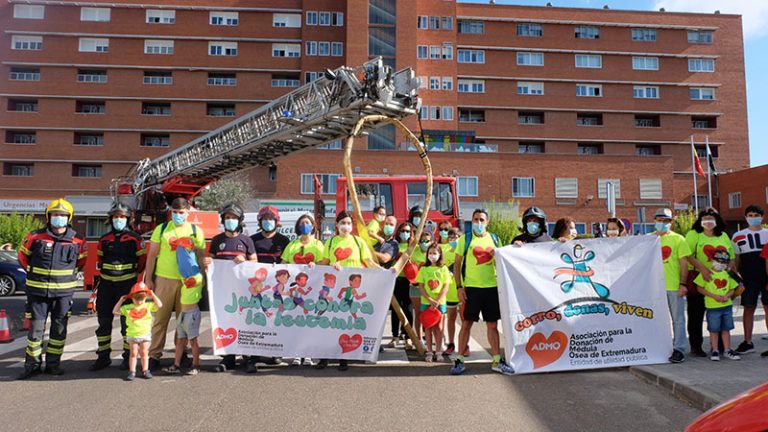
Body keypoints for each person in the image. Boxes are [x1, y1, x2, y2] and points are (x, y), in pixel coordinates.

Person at [17, 199, 88, 379]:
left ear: (69, 218)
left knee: (59, 330)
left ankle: (53, 365)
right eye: (55, 215)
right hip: (37, 292)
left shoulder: (77, 241)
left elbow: (81, 262)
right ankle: (32, 365)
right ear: (48, 217)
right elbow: (23, 258)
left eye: (63, 215)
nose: (59, 218)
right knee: (35, 331)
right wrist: (35, 275)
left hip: (63, 294)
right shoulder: (34, 237)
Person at [144, 197, 206, 371]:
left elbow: (201, 256)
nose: (178, 215)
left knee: (184, 321)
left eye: (181, 212)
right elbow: (152, 255)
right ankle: (154, 355)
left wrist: (203, 279)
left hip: (188, 282)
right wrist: (149, 279)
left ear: (188, 212)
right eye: (175, 212)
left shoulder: (195, 231)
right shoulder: (162, 229)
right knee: (160, 320)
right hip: (164, 279)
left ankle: (181, 355)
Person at [451, 208, 514, 375]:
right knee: (466, 325)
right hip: (471, 289)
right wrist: (459, 287)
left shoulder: (494, 239)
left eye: (481, 220)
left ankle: (496, 361)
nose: (478, 223)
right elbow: (456, 265)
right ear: (471, 221)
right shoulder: (465, 239)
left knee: (492, 325)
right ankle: (459, 360)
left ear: (487, 223)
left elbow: (502, 261)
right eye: (475, 219)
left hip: (492, 288)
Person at [89, 202, 146, 372]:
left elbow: (141, 262)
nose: (118, 220)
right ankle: (103, 357)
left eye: (122, 217)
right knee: (104, 323)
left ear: (128, 219)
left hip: (127, 286)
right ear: (110, 219)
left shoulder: (136, 239)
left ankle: (127, 357)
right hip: (106, 286)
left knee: (127, 324)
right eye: (115, 217)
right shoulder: (104, 239)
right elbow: (100, 260)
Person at [317, 211, 376, 371]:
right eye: (343, 222)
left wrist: (385, 272)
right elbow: (324, 263)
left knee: (345, 324)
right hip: (333, 290)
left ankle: (343, 358)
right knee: (330, 323)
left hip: (350, 292)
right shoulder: (330, 242)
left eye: (349, 223)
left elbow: (368, 262)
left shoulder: (358, 242)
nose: (346, 226)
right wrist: (312, 266)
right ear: (337, 225)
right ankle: (324, 358)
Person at [205, 203, 257, 372]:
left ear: (240, 220)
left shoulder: (247, 240)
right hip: (223, 290)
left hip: (242, 291)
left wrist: (245, 261)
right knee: (225, 321)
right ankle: (228, 357)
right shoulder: (217, 240)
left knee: (245, 322)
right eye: (227, 218)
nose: (230, 221)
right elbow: (210, 261)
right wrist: (207, 262)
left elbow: (255, 263)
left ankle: (248, 358)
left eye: (234, 218)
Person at [653, 208, 703, 364]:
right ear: (654, 221)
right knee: (656, 319)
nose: (662, 223)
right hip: (654, 287)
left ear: (671, 222)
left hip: (674, 286)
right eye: (659, 220)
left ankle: (679, 349)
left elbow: (684, 263)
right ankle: (658, 347)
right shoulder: (648, 239)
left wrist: (683, 283)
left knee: (678, 319)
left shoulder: (678, 239)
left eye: (666, 221)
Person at [280, 213, 325, 367]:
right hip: (294, 292)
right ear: (298, 226)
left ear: (313, 226)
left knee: (309, 322)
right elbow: (283, 263)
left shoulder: (318, 245)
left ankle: (309, 354)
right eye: (302, 223)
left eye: (307, 222)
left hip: (311, 290)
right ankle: (296, 354)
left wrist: (316, 266)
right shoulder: (291, 245)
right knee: (295, 323)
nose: (304, 225)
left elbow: (323, 265)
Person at [686, 208, 731, 357]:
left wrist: (730, 268)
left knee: (718, 313)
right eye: (705, 218)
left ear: (717, 219)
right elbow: (688, 255)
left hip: (720, 281)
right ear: (700, 220)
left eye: (711, 218)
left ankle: (718, 346)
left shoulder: (723, 235)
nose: (708, 221)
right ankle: (696, 346)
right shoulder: (694, 234)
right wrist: (703, 269)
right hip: (700, 278)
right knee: (696, 315)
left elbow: (730, 255)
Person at [250, 205, 290, 369]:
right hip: (257, 287)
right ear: (260, 221)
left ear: (276, 221)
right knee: (256, 319)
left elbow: (288, 264)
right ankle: (253, 354)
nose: (268, 222)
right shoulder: (252, 239)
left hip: (276, 289)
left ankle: (275, 353)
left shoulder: (284, 241)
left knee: (275, 319)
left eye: (271, 219)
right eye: (265, 219)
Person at [731, 205, 768, 355]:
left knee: (767, 308)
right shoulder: (738, 235)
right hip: (748, 277)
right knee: (748, 308)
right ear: (746, 217)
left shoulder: (767, 233)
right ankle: (747, 342)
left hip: (766, 276)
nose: (753, 217)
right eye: (750, 215)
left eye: (756, 215)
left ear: (762, 217)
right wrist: (736, 279)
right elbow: (736, 259)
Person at [694, 250, 741, 361]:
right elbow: (699, 288)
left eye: (724, 262)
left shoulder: (728, 274)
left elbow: (733, 288)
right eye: (718, 261)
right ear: (712, 260)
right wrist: (713, 296)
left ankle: (727, 350)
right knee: (714, 329)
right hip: (712, 307)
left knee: (726, 329)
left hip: (726, 306)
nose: (720, 264)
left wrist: (727, 296)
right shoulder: (706, 273)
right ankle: (715, 350)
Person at [114, 282, 163, 381]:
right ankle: (132, 371)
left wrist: (152, 294)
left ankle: (145, 370)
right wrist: (120, 301)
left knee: (144, 353)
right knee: (133, 353)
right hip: (132, 335)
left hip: (145, 334)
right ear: (132, 298)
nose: (140, 302)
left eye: (142, 299)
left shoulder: (148, 305)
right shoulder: (128, 308)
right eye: (137, 299)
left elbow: (160, 305)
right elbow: (115, 311)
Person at [417, 243, 451, 362]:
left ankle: (438, 351)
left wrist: (437, 301)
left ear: (440, 254)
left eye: (435, 253)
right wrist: (430, 299)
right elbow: (421, 286)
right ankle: (429, 351)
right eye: (430, 253)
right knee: (428, 326)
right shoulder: (423, 269)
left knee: (439, 327)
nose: (432, 256)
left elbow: (446, 286)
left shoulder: (444, 269)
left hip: (440, 303)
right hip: (426, 302)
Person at [387, 222, 414, 348]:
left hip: (409, 281)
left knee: (408, 309)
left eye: (408, 231)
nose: (405, 233)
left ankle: (408, 336)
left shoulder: (413, 246)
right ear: (399, 231)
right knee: (395, 309)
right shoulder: (394, 244)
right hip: (396, 280)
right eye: (403, 230)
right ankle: (395, 336)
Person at [409, 231, 431, 348]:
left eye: (427, 241)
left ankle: (430, 338)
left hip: (429, 289)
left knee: (428, 313)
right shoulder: (414, 250)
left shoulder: (433, 253)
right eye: (422, 241)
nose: (424, 243)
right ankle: (419, 338)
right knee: (418, 314)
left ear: (431, 241)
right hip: (415, 287)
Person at [441, 227, 462, 356]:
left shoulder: (463, 252)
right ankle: (451, 343)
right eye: (451, 238)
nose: (453, 240)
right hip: (449, 292)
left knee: (465, 320)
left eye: (456, 237)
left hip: (462, 290)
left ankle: (464, 345)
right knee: (451, 319)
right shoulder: (444, 250)